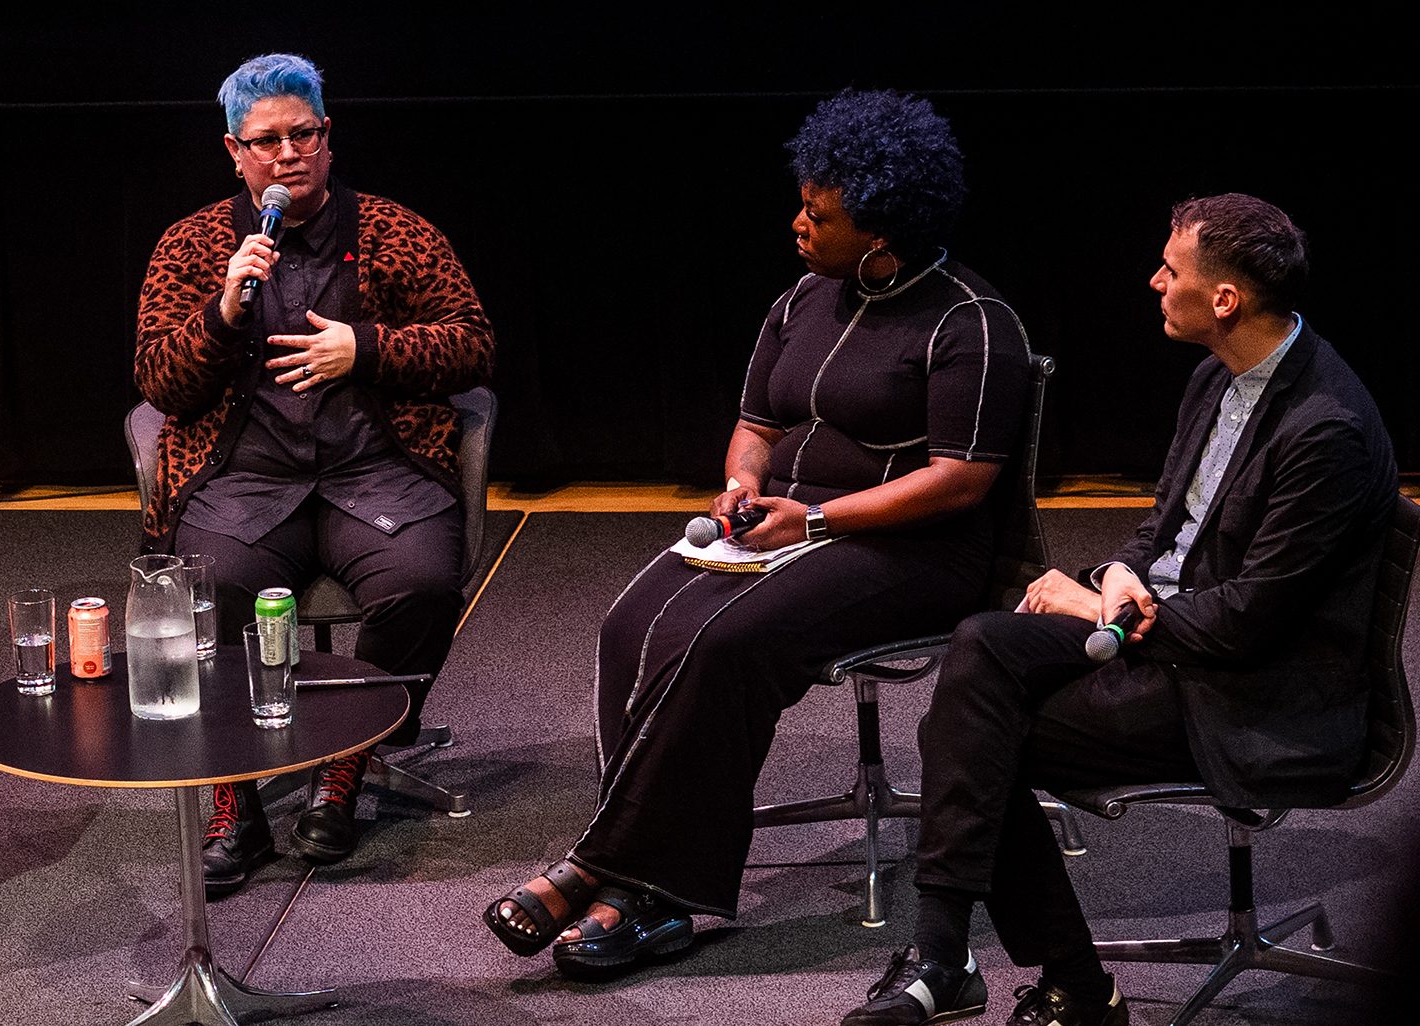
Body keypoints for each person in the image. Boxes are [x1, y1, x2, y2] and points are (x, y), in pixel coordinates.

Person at [482, 90, 1034, 981]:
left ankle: (601, 871)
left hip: (914, 549)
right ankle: (647, 897)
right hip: (785, 529)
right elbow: (758, 425)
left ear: (883, 234)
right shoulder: (802, 300)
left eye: (820, 215)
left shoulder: (969, 321)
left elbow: (962, 480)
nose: (798, 224)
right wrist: (743, 481)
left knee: (725, 641)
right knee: (631, 623)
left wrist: (813, 517)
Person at [841, 194, 1400, 1026]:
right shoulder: (1220, 376)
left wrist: (1108, 609)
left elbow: (1249, 622)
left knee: (984, 740)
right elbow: (1162, 527)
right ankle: (952, 956)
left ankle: (1029, 974)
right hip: (1168, 634)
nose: (1152, 281)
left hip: (1256, 694)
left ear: (1224, 300)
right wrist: (1114, 578)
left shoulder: (1326, 430)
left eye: (1170, 271)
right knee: (983, 650)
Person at [134, 53, 494, 895]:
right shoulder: (192, 245)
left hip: (375, 470)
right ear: (234, 151)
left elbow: (473, 343)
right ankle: (235, 797)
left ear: (328, 137)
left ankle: (343, 767)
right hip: (245, 478)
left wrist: (363, 347)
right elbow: (157, 381)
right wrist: (223, 311)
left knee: (422, 584)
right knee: (207, 590)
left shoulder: (396, 231)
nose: (288, 153)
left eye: (305, 134)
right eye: (268, 141)